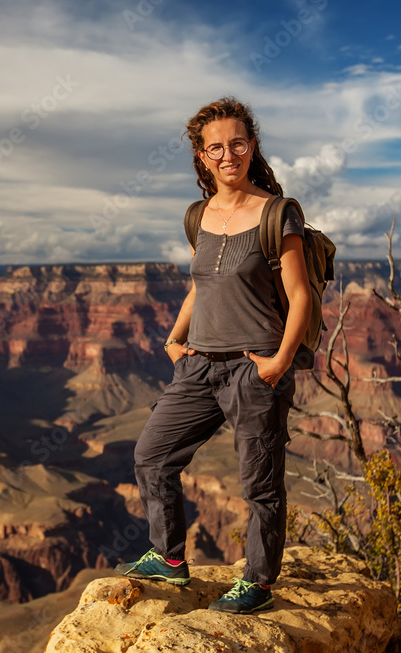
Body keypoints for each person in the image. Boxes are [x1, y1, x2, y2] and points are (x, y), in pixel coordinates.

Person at [115, 96, 311, 614]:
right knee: (152, 455)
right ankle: (170, 558)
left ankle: (259, 582)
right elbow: (201, 286)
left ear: (253, 147)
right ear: (203, 157)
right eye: (216, 147)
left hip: (254, 367)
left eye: (238, 144)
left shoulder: (277, 212)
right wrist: (174, 340)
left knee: (259, 483)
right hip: (199, 365)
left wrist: (279, 362)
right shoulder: (199, 216)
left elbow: (301, 295)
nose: (229, 155)